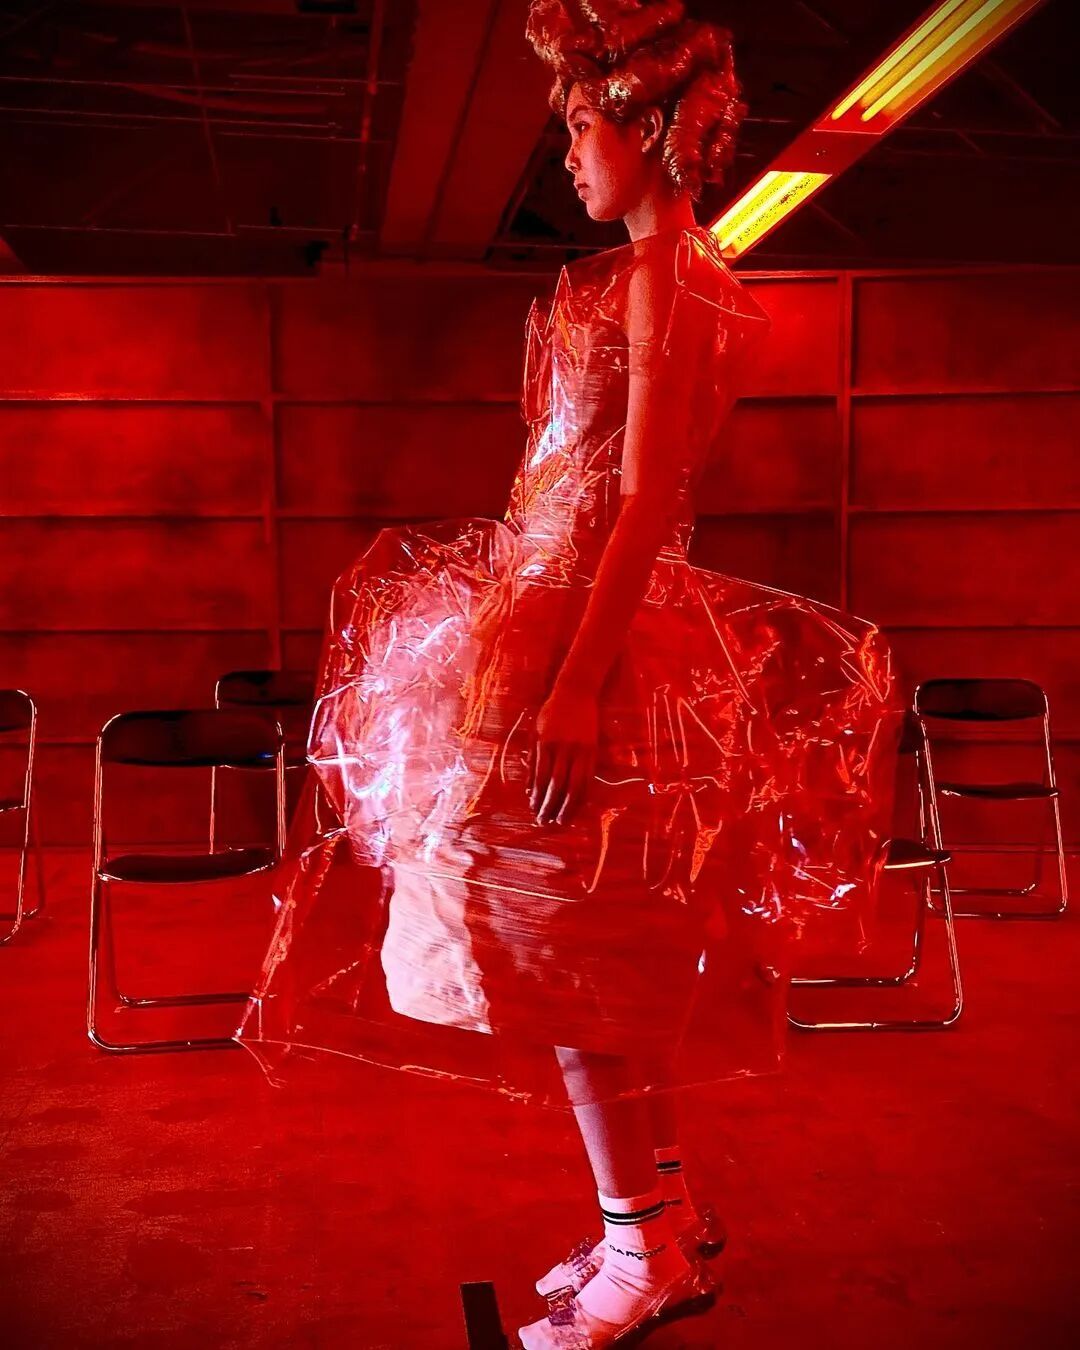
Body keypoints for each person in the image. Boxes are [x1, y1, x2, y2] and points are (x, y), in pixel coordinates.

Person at [238, 3, 898, 1346]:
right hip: (572, 609)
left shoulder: (663, 278)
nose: (570, 159)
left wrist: (576, 679)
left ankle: (638, 1249)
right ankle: (657, 1218)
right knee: (591, 953)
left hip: (589, 626)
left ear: (648, 128)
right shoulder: (671, 276)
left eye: (583, 127)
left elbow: (645, 494)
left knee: (562, 953)